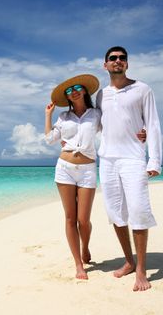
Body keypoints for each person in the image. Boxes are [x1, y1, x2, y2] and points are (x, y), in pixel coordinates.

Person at [96, 46, 163, 291]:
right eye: (113, 58)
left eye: (122, 58)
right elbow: (100, 123)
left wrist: (153, 160)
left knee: (138, 211)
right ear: (105, 65)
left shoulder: (143, 89)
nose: (118, 61)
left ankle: (142, 271)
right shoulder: (101, 95)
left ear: (127, 64)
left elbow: (153, 124)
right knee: (115, 212)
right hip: (107, 160)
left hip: (134, 159)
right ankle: (128, 261)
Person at [45, 74, 101, 280]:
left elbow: (114, 129)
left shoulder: (96, 114)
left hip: (87, 170)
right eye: (68, 91)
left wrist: (140, 133)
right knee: (70, 218)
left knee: (83, 220)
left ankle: (85, 246)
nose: (73, 91)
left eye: (77, 88)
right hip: (65, 168)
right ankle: (78, 264)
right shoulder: (63, 117)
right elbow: (51, 140)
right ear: (66, 98)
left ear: (85, 90)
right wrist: (48, 115)